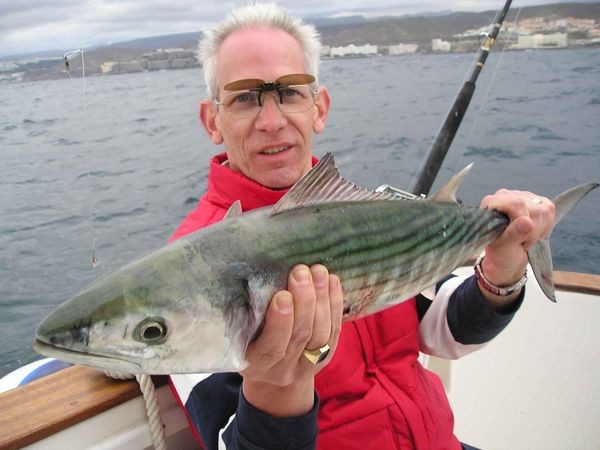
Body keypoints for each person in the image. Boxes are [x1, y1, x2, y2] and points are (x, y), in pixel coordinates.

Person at [168, 4, 555, 450]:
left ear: (319, 108)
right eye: (243, 98)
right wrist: (278, 387)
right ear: (212, 120)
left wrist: (502, 272)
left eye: (290, 93)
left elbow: (446, 329)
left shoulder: (369, 214)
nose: (271, 122)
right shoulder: (191, 278)